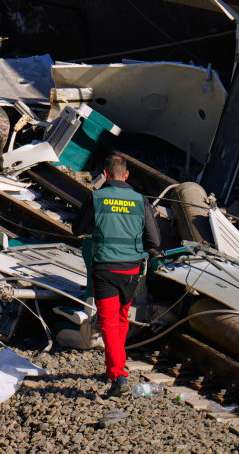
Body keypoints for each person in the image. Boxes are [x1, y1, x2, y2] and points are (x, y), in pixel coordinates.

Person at [71, 154, 160, 398]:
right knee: (121, 318)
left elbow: (77, 229)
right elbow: (154, 240)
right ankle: (116, 368)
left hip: (105, 269)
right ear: (126, 175)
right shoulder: (140, 200)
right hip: (131, 270)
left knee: (108, 322)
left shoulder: (97, 197)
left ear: (105, 174)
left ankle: (118, 375)